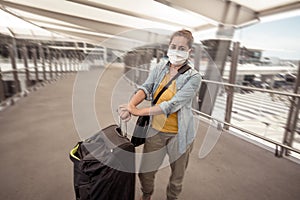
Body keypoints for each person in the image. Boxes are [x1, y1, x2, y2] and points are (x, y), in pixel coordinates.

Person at [119, 29, 201, 200]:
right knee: (145, 172)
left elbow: (172, 105)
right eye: (173, 46)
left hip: (180, 135)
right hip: (155, 131)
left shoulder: (194, 78)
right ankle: (146, 195)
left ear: (189, 51)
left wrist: (138, 111)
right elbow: (146, 87)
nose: (176, 51)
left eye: (181, 48)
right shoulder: (159, 68)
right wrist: (131, 105)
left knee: (177, 178)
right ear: (168, 47)